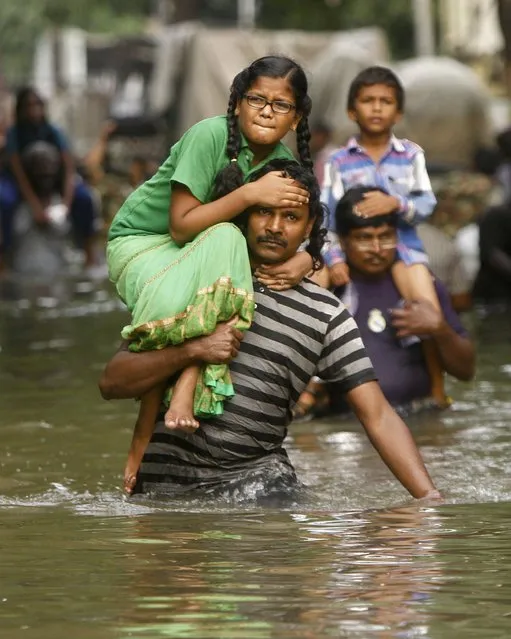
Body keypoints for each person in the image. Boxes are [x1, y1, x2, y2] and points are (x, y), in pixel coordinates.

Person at [99, 160, 441, 503]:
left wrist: (429, 500)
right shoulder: (197, 280)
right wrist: (193, 350)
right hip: (163, 491)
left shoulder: (326, 314)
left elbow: (378, 415)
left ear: (309, 228)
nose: (275, 227)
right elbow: (113, 383)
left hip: (260, 491)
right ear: (245, 213)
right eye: (264, 212)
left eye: (291, 217)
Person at [106, 56, 319, 493]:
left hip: (208, 250)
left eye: (280, 105)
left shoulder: (281, 163)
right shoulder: (209, 135)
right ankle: (142, 441)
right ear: (238, 103)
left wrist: (309, 260)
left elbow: (307, 222)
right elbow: (182, 225)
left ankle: (183, 384)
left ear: (296, 117)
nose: (266, 111)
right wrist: (250, 192)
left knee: (232, 247)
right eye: (256, 99)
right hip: (144, 244)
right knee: (226, 237)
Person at [320, 66, 447, 405]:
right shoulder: (338, 161)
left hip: (404, 249)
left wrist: (395, 203)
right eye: (367, 100)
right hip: (349, 248)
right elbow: (325, 214)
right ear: (352, 111)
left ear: (398, 112)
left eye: (386, 101)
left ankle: (436, 384)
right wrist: (332, 258)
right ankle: (306, 385)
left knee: (427, 310)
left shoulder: (411, 155)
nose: (376, 108)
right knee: (312, 292)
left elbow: (426, 204)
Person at [296, 186, 475, 418]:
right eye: (364, 239)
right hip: (345, 426)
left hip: (419, 419)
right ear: (343, 241)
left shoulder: (419, 287)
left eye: (385, 237)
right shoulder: (329, 288)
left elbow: (466, 372)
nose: (377, 249)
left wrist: (440, 329)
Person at [0, 87, 97, 271]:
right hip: (21, 181)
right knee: (4, 202)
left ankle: (89, 253)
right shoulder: (15, 134)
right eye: (28, 106)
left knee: (85, 198)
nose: (33, 110)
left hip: (53, 180)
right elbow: (18, 172)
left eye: (37, 105)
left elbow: (69, 169)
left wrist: (66, 205)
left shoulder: (53, 131)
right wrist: (35, 205)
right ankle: (2, 258)